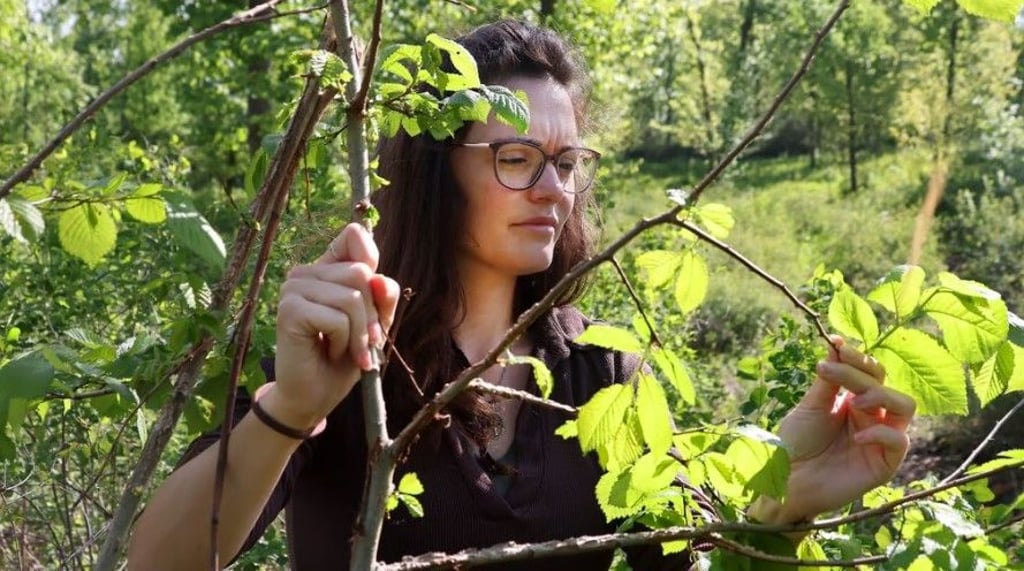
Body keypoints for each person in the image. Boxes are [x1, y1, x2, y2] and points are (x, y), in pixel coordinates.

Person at [127, 19, 916, 571]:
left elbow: (680, 554)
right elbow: (158, 562)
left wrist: (781, 492)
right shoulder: (346, 357)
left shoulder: (602, 372)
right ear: (436, 173)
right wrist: (292, 409)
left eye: (566, 162)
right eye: (516, 158)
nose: (553, 190)